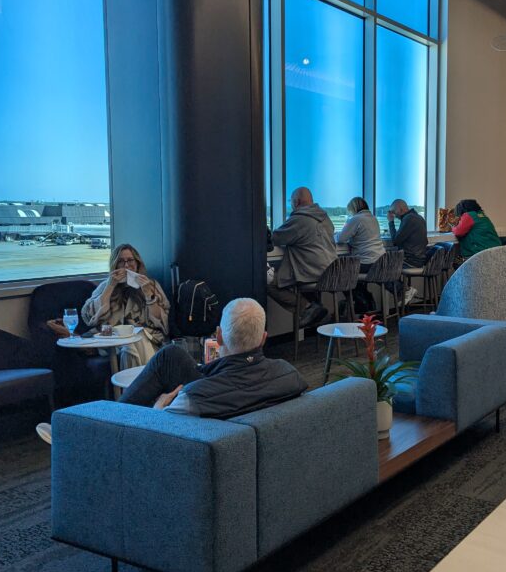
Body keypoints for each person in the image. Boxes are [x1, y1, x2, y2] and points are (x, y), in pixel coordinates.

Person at [35, 299, 307, 443]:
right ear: (264, 338)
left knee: (167, 357)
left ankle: (91, 431)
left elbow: (160, 436)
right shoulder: (288, 373)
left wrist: (159, 408)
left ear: (219, 337)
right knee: (172, 356)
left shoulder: (192, 397)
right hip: (234, 386)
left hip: (216, 403)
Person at [79, 244, 170, 370]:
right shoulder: (105, 286)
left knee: (133, 342)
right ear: (115, 265)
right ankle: (145, 385)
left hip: (148, 339)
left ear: (137, 263)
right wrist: (110, 286)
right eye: (121, 261)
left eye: (130, 260)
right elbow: (89, 316)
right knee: (131, 343)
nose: (126, 266)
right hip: (113, 342)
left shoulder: (151, 285)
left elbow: (161, 321)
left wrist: (148, 294)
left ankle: (133, 387)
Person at [267, 186, 337, 328]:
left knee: (267, 282)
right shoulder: (325, 218)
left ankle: (307, 308)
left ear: (296, 202)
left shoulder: (300, 218)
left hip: (313, 274)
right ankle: (315, 308)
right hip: (332, 272)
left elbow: (276, 238)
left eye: (290, 202)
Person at [336, 196, 385, 315]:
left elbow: (341, 238)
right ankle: (366, 302)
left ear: (354, 208)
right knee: (356, 278)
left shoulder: (356, 219)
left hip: (367, 262)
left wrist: (336, 234)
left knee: (342, 273)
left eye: (350, 211)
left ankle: (361, 303)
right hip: (380, 261)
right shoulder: (373, 218)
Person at [387, 199, 430, 305]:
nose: (395, 215)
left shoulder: (408, 219)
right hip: (420, 259)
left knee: (383, 268)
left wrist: (390, 222)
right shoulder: (419, 217)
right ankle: (403, 292)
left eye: (394, 212)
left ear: (400, 209)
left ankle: (404, 290)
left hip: (411, 261)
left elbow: (395, 241)